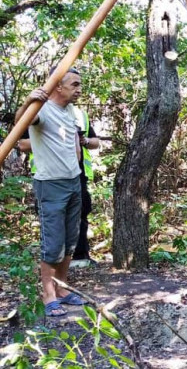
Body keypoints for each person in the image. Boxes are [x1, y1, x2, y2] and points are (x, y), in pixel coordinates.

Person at [14, 67, 87, 317]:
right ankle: (48, 294)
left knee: (69, 240)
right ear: (58, 86)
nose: (79, 89)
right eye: (74, 84)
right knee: (53, 242)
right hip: (51, 184)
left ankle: (61, 288)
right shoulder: (42, 110)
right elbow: (20, 122)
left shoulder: (70, 111)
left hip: (73, 181)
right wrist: (28, 101)